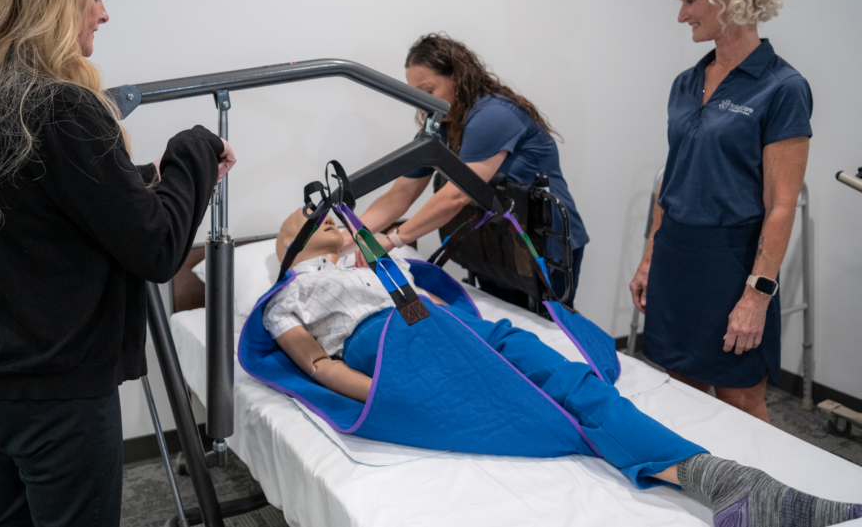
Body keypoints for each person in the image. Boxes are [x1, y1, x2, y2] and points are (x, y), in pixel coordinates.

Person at [0, 0, 235, 526]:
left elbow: (46, 208)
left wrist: (148, 179)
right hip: (50, 395)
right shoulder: (59, 106)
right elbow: (157, 248)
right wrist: (195, 148)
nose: (104, 14)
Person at [261, 208, 859, 527]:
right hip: (396, 352)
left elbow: (428, 305)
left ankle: (725, 484)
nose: (330, 220)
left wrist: (445, 314)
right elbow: (316, 364)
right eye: (309, 219)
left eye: (335, 217)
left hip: (445, 330)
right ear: (288, 244)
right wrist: (385, 394)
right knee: (559, 409)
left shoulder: (374, 266)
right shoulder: (285, 299)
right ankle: (733, 487)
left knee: (573, 384)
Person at [629, 0, 811, 423]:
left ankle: (760, 499)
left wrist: (757, 295)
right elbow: (674, 178)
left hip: (732, 265)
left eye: (689, 1)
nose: (682, 14)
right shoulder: (686, 83)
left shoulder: (782, 88)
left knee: (740, 399)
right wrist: (650, 257)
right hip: (675, 256)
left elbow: (781, 204)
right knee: (677, 387)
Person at [350, 34, 589, 308]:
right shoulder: (441, 127)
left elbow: (457, 196)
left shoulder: (493, 116)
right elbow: (401, 193)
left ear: (458, 77)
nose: (422, 104)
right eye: (415, 96)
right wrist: (352, 236)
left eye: (428, 92)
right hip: (499, 243)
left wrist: (394, 238)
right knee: (503, 318)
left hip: (543, 242)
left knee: (545, 326)